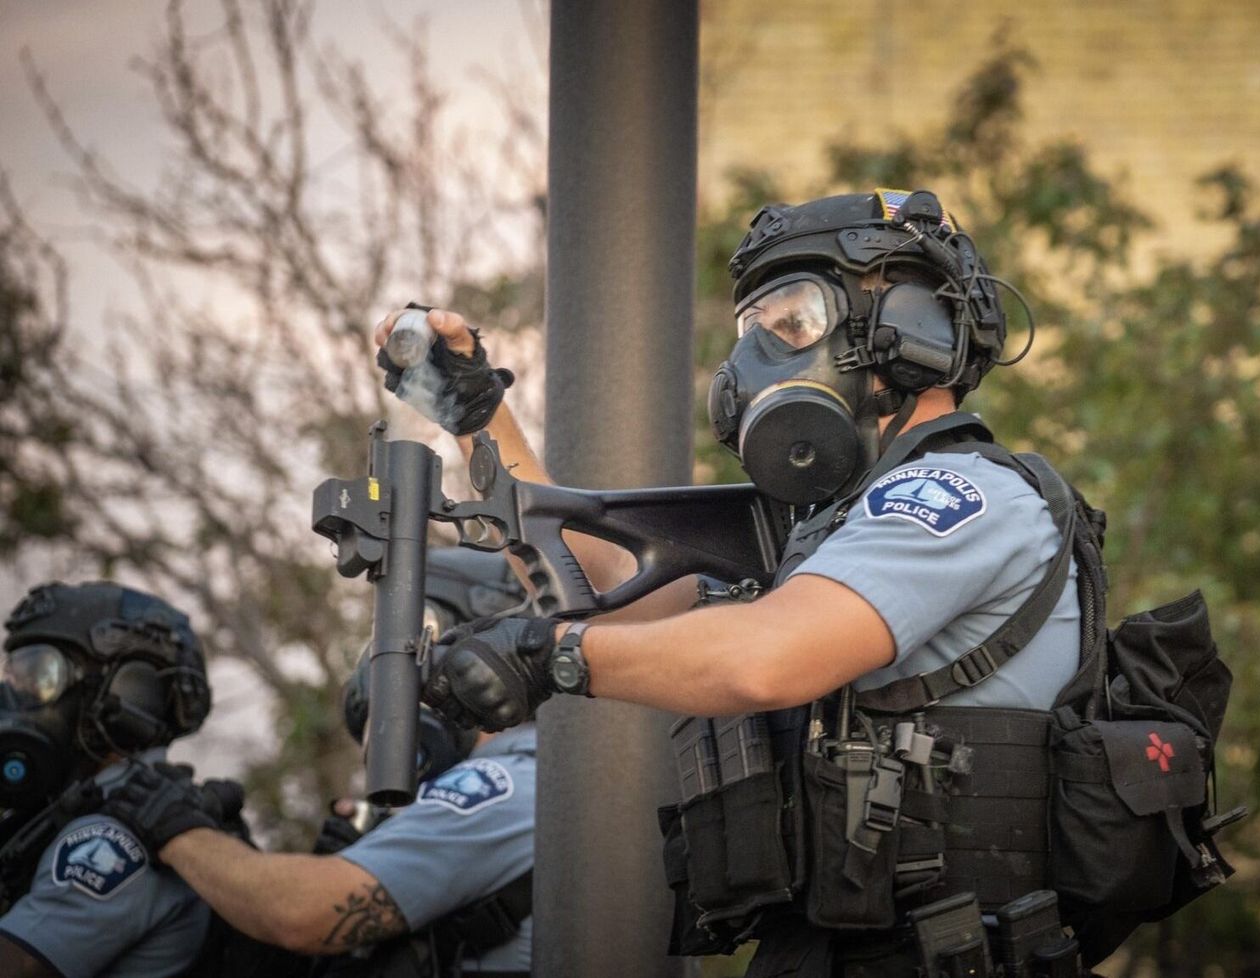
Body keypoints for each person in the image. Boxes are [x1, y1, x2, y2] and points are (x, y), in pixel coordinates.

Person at [367, 188, 1124, 977]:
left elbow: (760, 658)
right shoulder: (827, 531)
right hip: (837, 949)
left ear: (908, 331)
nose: (751, 364)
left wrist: (549, 655)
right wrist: (475, 416)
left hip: (942, 952)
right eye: (751, 332)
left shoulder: (961, 497)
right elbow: (601, 591)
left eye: (792, 322)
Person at [101, 548, 535, 978]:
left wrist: (179, 830)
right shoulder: (542, 782)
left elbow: (300, 914)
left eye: (421, 630)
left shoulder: (503, 785)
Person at [0, 580, 220, 978]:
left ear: (132, 694)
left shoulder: (116, 834)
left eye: (39, 674)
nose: (14, 694)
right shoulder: (62, 809)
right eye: (15, 674)